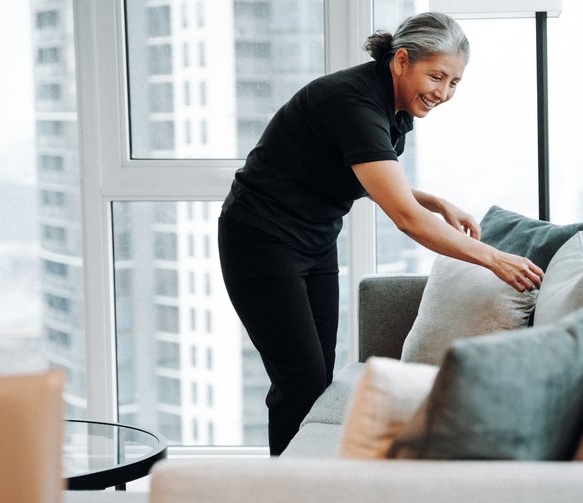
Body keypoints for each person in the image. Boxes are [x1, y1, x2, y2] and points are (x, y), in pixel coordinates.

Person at [218, 11, 544, 455]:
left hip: (314, 240)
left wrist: (433, 200)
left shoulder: (393, 106)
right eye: (437, 76)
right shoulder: (351, 101)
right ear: (401, 60)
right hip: (260, 241)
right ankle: (289, 493)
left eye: (454, 83)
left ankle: (308, 482)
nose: (444, 93)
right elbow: (405, 219)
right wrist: (493, 259)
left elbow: (368, 174)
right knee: (299, 380)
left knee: (317, 375)